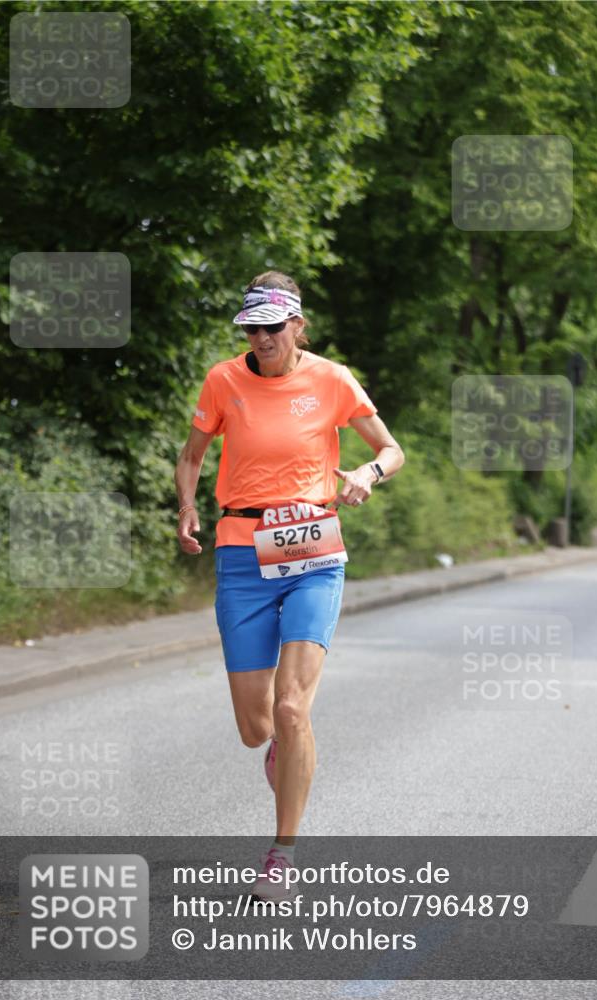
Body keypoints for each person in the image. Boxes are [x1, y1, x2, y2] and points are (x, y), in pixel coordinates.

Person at [175, 271, 404, 900]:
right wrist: (187, 506)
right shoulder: (225, 379)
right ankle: (283, 748)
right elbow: (193, 453)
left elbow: (391, 449)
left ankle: (282, 852)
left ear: (298, 325)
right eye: (252, 327)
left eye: (273, 326)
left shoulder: (331, 378)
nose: (262, 337)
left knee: (292, 706)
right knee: (256, 727)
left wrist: (367, 474)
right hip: (242, 553)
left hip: (312, 548)